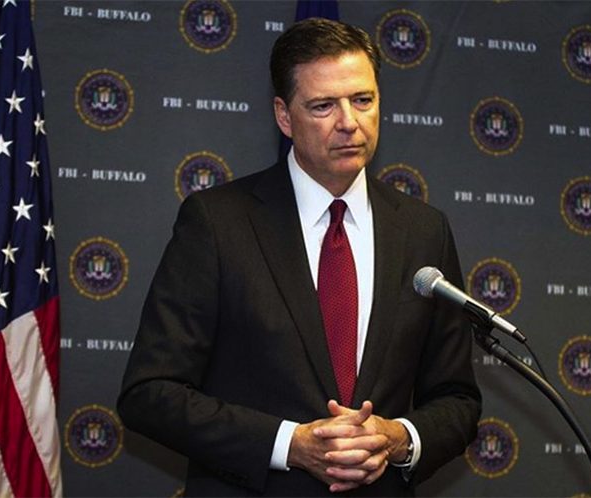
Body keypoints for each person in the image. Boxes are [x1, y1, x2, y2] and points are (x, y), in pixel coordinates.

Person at [118, 18, 481, 496]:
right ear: (284, 116)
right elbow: (150, 393)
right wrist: (288, 443)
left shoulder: (423, 230)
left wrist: (399, 438)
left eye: (363, 100)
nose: (349, 122)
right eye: (323, 105)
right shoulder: (218, 223)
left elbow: (456, 398)